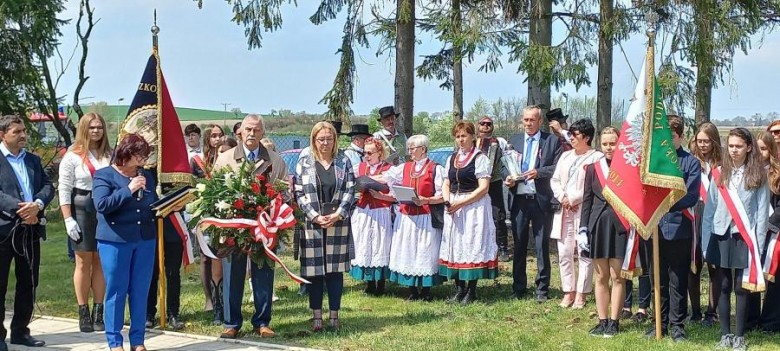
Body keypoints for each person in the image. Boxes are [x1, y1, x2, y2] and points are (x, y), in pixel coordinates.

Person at [214, 114, 288, 339]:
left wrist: (274, 212)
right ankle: (231, 323)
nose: (251, 134)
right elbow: (214, 191)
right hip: (234, 228)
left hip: (265, 227)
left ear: (262, 133)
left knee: (264, 274)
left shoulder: (275, 160)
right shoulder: (225, 159)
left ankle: (262, 322)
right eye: (248, 129)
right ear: (240, 132)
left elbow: (284, 192)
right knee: (232, 274)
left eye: (256, 130)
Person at [702, 128, 770, 350]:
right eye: (730, 146)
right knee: (722, 285)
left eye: (738, 146)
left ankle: (739, 336)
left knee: (742, 288)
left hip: (744, 238)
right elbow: (709, 211)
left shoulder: (759, 175)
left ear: (749, 147)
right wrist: (705, 243)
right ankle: (725, 334)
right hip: (721, 236)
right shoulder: (719, 174)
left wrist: (758, 247)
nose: (733, 150)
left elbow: (761, 215)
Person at [94, 134, 159, 351]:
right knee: (116, 290)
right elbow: (102, 204)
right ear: (126, 152)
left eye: (145, 156)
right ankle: (115, 342)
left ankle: (138, 341)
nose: (143, 160)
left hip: (144, 240)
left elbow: (152, 204)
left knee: (140, 290)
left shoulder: (147, 176)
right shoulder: (104, 176)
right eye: (140, 155)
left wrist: (170, 206)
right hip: (115, 240)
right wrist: (128, 189)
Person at [643, 115, 700, 342]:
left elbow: (692, 196)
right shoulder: (651, 163)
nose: (667, 141)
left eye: (672, 136)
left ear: (680, 136)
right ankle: (660, 322)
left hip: (679, 229)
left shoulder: (690, 163)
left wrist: (663, 204)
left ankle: (677, 326)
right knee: (658, 279)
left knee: (677, 280)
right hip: (654, 228)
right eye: (663, 136)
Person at [294, 121, 355, 331]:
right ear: (314, 140)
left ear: (335, 140)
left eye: (329, 139)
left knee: (335, 272)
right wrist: (313, 216)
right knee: (315, 272)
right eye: (321, 139)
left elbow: (350, 190)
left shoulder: (343, 161)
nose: (325, 143)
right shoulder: (304, 163)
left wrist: (338, 214)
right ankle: (317, 316)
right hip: (312, 225)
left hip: (338, 224)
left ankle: (334, 316)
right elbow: (299, 193)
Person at [0, 115, 54, 351]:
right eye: (16, 131)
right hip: (3, 232)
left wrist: (38, 205)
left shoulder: (32, 159)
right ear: (2, 135)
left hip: (30, 231)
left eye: (24, 131)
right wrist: (22, 209)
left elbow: (47, 186)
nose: (23, 135)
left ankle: (21, 332)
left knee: (28, 283)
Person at [58, 112, 111, 333]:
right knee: (83, 262)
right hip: (81, 207)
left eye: (99, 127)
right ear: (84, 129)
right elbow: (64, 188)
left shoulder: (110, 154)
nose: (96, 131)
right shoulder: (72, 156)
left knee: (100, 261)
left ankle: (99, 312)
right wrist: (68, 218)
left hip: (105, 209)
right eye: (92, 128)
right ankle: (83, 312)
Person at [505, 105, 563, 302]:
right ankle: (518, 287)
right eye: (525, 120)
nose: (528, 123)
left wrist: (539, 173)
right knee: (519, 244)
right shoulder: (514, 141)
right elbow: (505, 166)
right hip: (519, 199)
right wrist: (508, 178)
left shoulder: (552, 141)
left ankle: (542, 288)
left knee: (541, 245)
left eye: (532, 120)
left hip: (540, 200)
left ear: (539, 121)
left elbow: (557, 167)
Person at [439, 121, 498, 305]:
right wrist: (448, 200)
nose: (460, 140)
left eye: (464, 136)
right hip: (454, 206)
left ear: (473, 137)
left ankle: (471, 291)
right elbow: (446, 182)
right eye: (457, 136)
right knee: (455, 245)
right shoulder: (452, 158)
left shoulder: (480, 158)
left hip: (474, 207)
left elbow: (483, 188)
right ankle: (459, 289)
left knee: (472, 244)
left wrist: (461, 203)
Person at [383, 135, 446, 301]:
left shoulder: (435, 169)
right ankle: (412, 290)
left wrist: (427, 200)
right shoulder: (405, 167)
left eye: (413, 148)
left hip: (425, 216)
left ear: (423, 149)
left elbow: (442, 195)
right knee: (408, 250)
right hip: (406, 217)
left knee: (425, 251)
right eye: (409, 148)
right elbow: (387, 177)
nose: (409, 151)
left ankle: (426, 291)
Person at [579, 126, 626, 337]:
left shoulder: (627, 168)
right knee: (600, 276)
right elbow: (587, 200)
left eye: (613, 143)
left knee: (617, 276)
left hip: (620, 226)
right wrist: (583, 228)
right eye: (605, 143)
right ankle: (602, 320)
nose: (609, 147)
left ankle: (614, 321)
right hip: (597, 225)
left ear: (620, 143)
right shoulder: (592, 168)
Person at [550, 119, 602, 309]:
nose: (571, 138)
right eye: (570, 134)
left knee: (583, 251)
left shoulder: (596, 157)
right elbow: (555, 180)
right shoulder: (565, 156)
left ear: (586, 137)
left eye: (575, 135)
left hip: (583, 210)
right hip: (564, 210)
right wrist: (563, 196)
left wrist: (573, 199)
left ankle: (581, 292)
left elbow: (595, 185)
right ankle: (568, 290)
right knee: (564, 252)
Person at [687, 121, 723, 327]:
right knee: (694, 264)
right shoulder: (691, 161)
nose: (702, 145)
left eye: (707, 141)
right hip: (694, 213)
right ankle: (695, 311)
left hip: (714, 214)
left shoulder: (722, 163)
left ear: (714, 141)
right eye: (699, 141)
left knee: (714, 264)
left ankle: (712, 311)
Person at [190, 124, 225, 324]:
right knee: (206, 257)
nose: (217, 138)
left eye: (220, 135)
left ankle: (223, 300)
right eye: (213, 136)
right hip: (206, 213)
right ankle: (210, 299)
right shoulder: (198, 161)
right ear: (207, 139)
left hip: (225, 213)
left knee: (221, 255)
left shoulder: (228, 156)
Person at [349, 137, 393, 296]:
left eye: (369, 153)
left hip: (380, 210)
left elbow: (389, 182)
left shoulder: (388, 168)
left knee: (380, 244)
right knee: (365, 244)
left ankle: (380, 282)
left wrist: (370, 181)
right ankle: (369, 282)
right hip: (364, 210)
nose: (366, 156)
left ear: (379, 153)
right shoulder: (360, 167)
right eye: (365, 153)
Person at [476, 116, 510, 262]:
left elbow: (490, 164)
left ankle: (502, 248)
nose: (485, 126)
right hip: (475, 184)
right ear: (478, 126)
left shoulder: (495, 143)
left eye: (488, 124)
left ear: (493, 127)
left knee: (498, 216)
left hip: (493, 182)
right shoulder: (472, 141)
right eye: (482, 123)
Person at [761, 131, 780, 334]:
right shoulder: (750, 172)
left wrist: (768, 224)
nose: (760, 152)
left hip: (774, 232)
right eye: (757, 148)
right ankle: (750, 319)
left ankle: (770, 321)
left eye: (764, 148)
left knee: (773, 277)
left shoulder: (778, 173)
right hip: (751, 231)